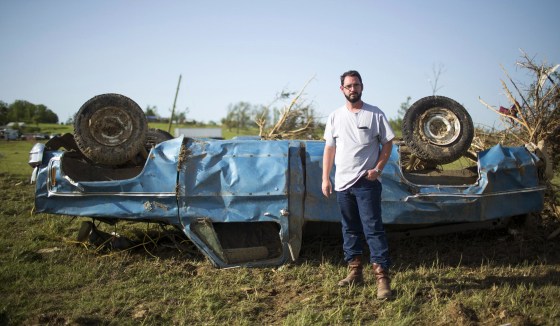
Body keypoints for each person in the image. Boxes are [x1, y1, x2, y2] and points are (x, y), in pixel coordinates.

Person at [322, 70, 395, 299]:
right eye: (349, 86)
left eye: (356, 85)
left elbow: (388, 143)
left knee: (373, 229)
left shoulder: (375, 114)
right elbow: (330, 149)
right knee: (349, 229)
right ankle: (355, 271)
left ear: (362, 87)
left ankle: (382, 278)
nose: (353, 89)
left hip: (366, 182)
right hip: (343, 183)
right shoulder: (334, 117)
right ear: (342, 89)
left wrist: (378, 169)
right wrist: (326, 178)